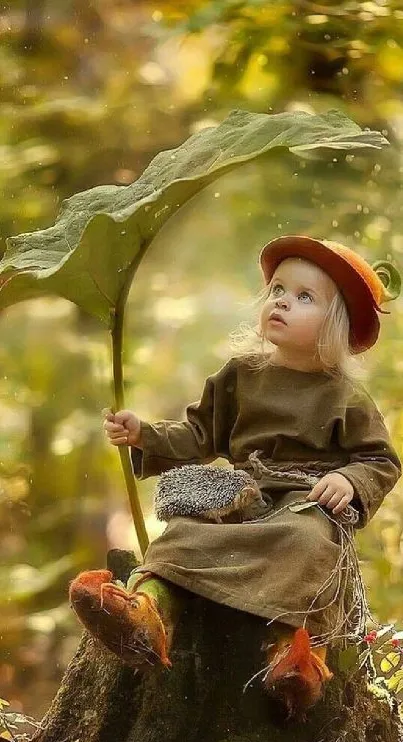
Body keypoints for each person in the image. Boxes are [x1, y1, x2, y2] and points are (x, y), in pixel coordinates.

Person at [70, 235, 401, 716]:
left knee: (308, 546)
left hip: (303, 502)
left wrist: (350, 480)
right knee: (183, 534)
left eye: (304, 297)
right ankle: (147, 614)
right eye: (278, 290)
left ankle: (296, 651)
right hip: (240, 495)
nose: (282, 301)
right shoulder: (241, 374)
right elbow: (198, 434)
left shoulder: (344, 396)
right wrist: (145, 434)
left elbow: (380, 460)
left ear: (335, 324)